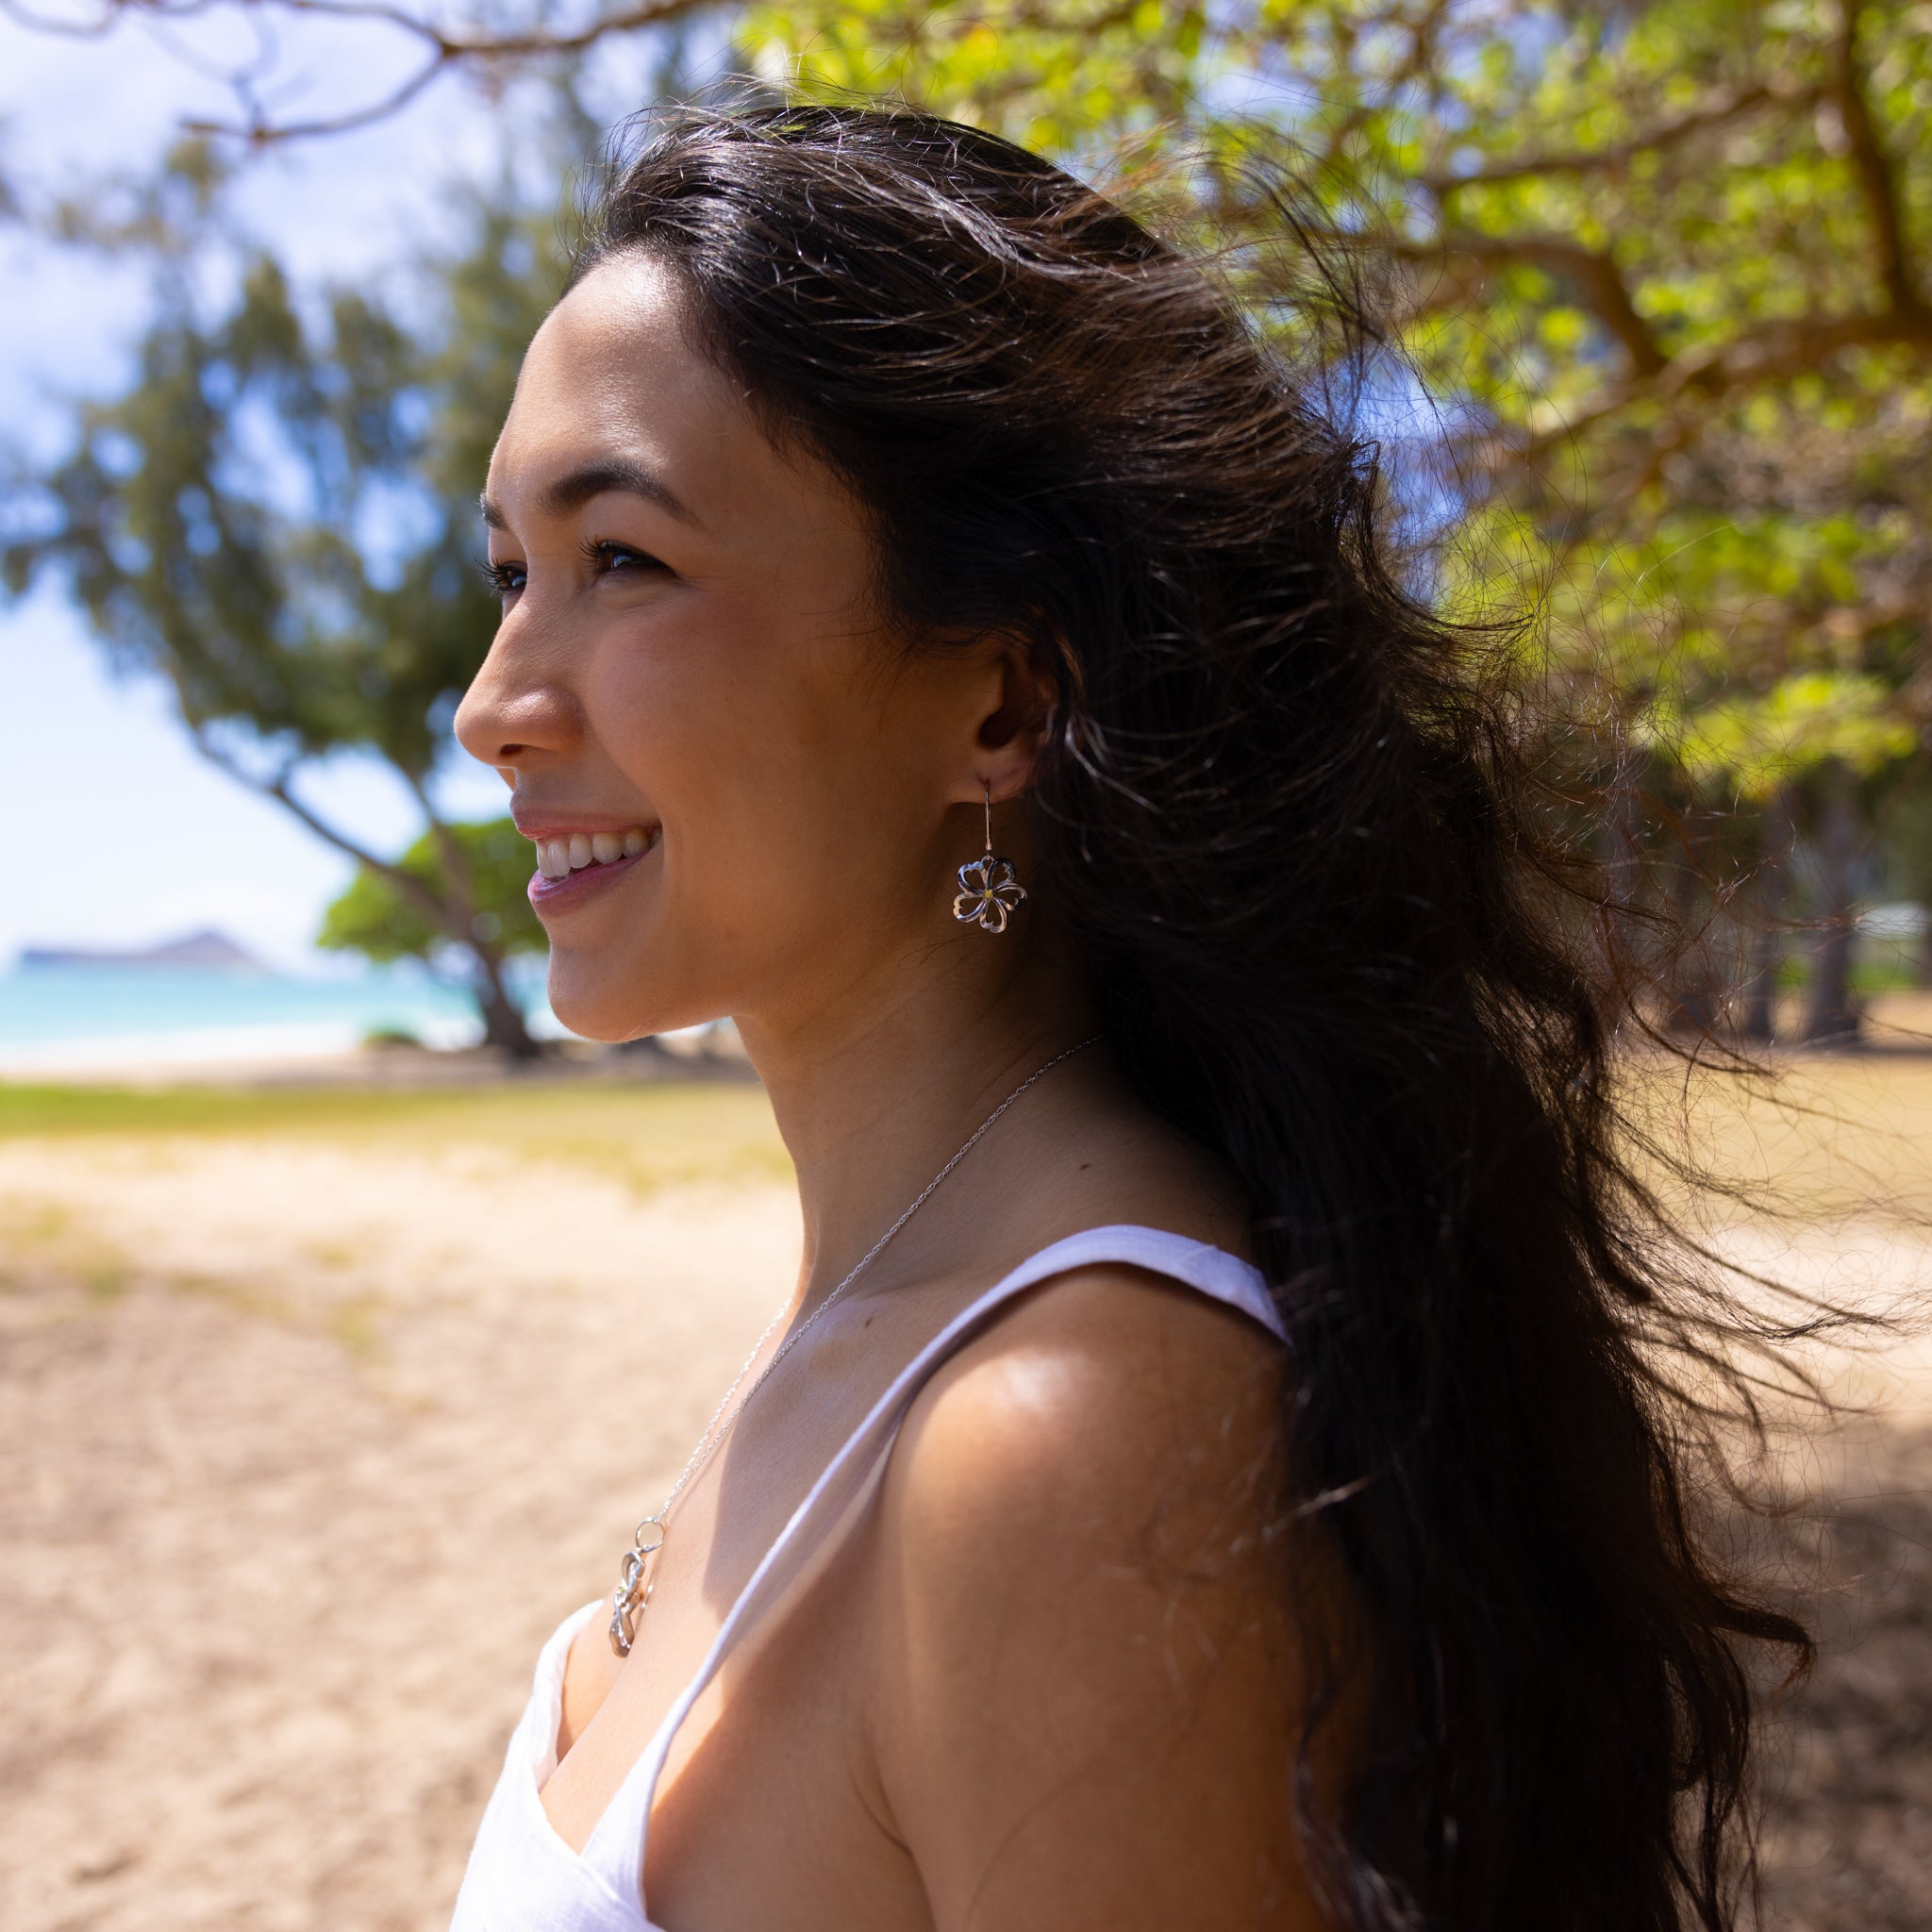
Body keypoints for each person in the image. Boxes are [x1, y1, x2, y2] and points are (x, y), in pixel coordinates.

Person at [448, 103, 1806, 1932]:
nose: (493, 704)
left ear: (1002, 703)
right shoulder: (897, 1292)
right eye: (509, 573)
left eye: (622, 559)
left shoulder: (1065, 1439)